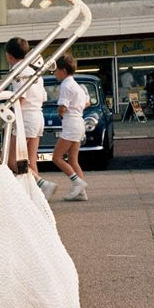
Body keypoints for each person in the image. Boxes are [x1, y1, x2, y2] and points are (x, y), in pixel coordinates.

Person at [4, 37, 54, 200]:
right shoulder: (34, 71)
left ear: (8, 55)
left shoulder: (19, 71)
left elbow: (20, 97)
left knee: (12, 161)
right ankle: (37, 196)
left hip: (25, 117)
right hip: (38, 116)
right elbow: (43, 96)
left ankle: (41, 184)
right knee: (31, 161)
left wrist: (6, 110)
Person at [50, 54, 90, 201]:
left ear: (64, 71)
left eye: (56, 70)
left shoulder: (65, 85)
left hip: (71, 124)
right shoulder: (77, 86)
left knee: (57, 157)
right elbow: (87, 103)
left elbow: (62, 107)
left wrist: (60, 113)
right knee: (73, 160)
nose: (54, 73)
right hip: (79, 122)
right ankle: (81, 193)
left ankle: (77, 183)